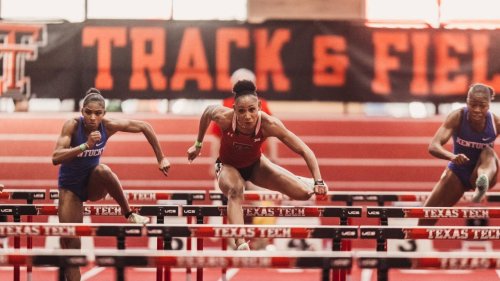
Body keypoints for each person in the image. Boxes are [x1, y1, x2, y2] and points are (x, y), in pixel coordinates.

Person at [187, 80, 328, 250]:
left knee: (304, 194)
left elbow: (304, 150)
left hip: (255, 166)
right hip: (226, 165)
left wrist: (318, 181)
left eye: (252, 110)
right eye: (241, 111)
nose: (247, 116)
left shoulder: (270, 125)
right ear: (234, 109)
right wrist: (198, 144)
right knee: (235, 190)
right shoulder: (224, 118)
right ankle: (241, 243)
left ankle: (304, 181)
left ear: (259, 107)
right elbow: (207, 113)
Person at [52, 88, 170, 281]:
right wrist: (85, 146)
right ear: (82, 112)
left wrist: (161, 158)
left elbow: (144, 126)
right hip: (70, 189)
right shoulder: (72, 126)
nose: (92, 117)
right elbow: (55, 157)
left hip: (92, 184)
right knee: (71, 248)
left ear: (104, 114)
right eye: (88, 112)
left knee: (103, 170)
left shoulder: (108, 125)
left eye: (97, 113)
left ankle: (129, 214)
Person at [419, 83, 498, 226]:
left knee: (488, 152)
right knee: (426, 217)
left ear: (489, 105)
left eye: (482, 106)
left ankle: (482, 182)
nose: (477, 110)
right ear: (467, 101)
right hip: (458, 172)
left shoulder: (496, 123)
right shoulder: (457, 117)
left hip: (485, 168)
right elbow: (433, 146)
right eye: (472, 105)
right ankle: (415, 244)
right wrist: (452, 157)